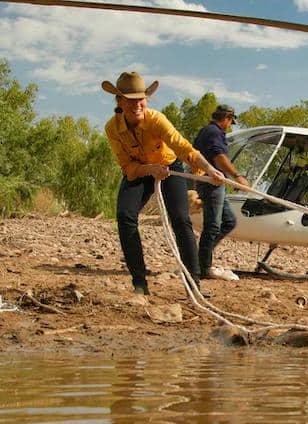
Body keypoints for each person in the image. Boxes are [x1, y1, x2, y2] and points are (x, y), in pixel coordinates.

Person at [102, 71, 225, 295]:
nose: (137, 104)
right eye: (130, 100)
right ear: (119, 101)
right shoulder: (112, 128)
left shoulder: (156, 120)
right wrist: (149, 169)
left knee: (180, 219)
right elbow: (127, 167)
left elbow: (183, 147)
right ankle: (140, 283)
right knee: (125, 216)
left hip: (170, 168)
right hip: (140, 172)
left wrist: (209, 169)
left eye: (140, 99)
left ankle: (193, 285)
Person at [192, 104, 249, 281]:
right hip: (212, 183)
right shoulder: (214, 132)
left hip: (216, 183)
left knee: (229, 221)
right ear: (227, 117)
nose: (230, 124)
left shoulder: (208, 131)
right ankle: (203, 267)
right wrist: (237, 176)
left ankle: (200, 259)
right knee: (213, 225)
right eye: (231, 121)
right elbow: (219, 157)